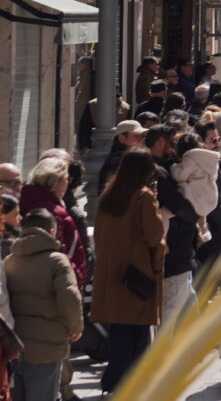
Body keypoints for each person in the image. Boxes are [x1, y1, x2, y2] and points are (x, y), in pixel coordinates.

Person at [90, 148, 165, 394]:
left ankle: (115, 383)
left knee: (119, 332)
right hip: (138, 275)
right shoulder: (143, 197)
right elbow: (155, 236)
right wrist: (157, 263)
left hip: (112, 274)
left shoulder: (108, 195)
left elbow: (99, 235)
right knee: (139, 333)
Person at [5, 208, 82, 401]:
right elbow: (70, 298)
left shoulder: (8, 261)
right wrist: (76, 328)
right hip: (47, 346)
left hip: (13, 345)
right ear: (52, 231)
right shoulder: (57, 261)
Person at [145, 125, 200, 324]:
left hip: (177, 257)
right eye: (172, 144)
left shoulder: (158, 168)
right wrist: (196, 214)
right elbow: (178, 206)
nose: (175, 150)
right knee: (171, 312)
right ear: (160, 143)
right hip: (174, 256)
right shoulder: (158, 172)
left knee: (186, 308)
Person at [18, 157, 87, 290]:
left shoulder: (32, 202)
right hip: (57, 289)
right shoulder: (52, 211)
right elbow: (58, 254)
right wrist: (75, 280)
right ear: (57, 182)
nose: (67, 184)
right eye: (66, 179)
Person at [99, 119, 148, 193]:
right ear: (122, 138)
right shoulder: (117, 162)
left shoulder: (129, 158)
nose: (141, 139)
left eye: (142, 136)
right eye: (136, 135)